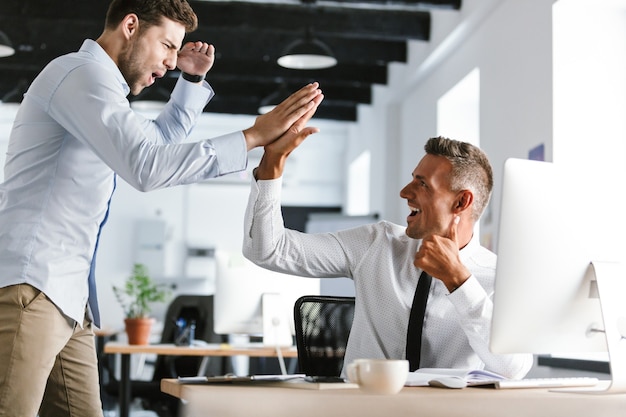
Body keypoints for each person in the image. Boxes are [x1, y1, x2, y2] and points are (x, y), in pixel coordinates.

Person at [0, 0, 323, 416]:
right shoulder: (81, 75)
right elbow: (146, 166)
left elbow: (156, 145)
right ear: (131, 25)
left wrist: (191, 81)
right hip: (35, 286)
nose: (171, 62)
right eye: (167, 46)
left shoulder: (100, 89)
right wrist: (255, 134)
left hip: (66, 296)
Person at [242, 131, 533, 380]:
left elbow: (513, 368)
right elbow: (268, 249)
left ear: (461, 201)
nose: (405, 192)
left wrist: (459, 281)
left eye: (422, 183)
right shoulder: (376, 243)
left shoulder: (498, 278)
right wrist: (272, 165)